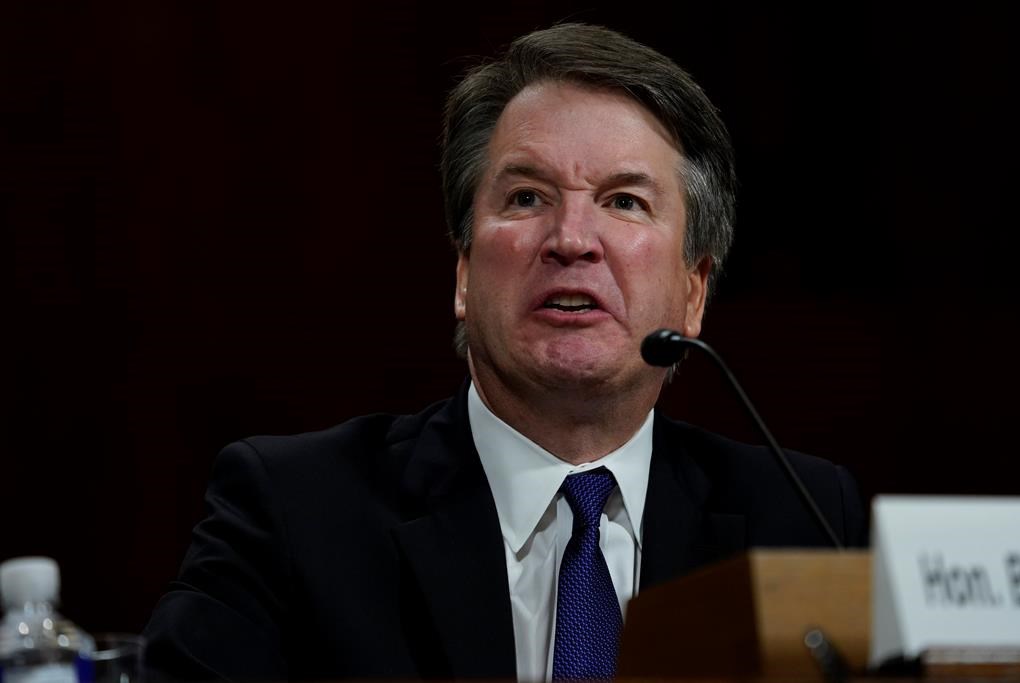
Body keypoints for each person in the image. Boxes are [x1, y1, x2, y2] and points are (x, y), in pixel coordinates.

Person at [143, 23, 865, 682]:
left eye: (624, 201)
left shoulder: (801, 521)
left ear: (693, 290)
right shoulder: (293, 513)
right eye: (526, 197)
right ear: (463, 275)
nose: (572, 238)